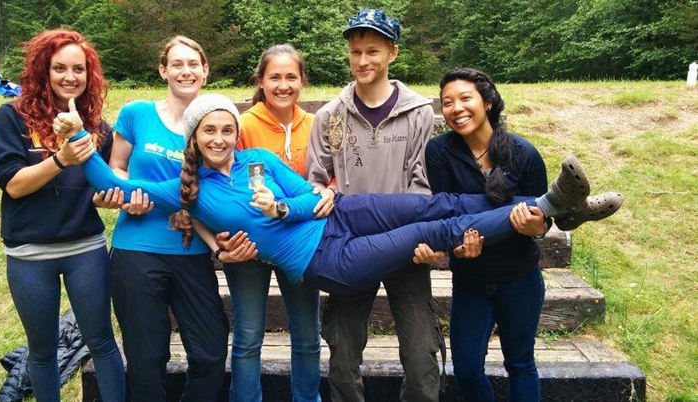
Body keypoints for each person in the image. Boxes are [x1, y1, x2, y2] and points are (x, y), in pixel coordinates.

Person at [55, 94, 623, 301]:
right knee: (433, 231)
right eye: (210, 131)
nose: (222, 139)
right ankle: (552, 210)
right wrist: (80, 136)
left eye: (228, 129)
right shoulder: (184, 188)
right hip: (325, 260)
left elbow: (311, 198)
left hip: (342, 214)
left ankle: (555, 205)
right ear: (195, 139)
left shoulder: (258, 159)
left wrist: (283, 209)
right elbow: (117, 184)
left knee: (435, 205)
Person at [418, 68, 622, 402]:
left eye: (465, 98)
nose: (456, 109)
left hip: (519, 277)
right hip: (471, 277)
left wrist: (538, 228)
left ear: (488, 102)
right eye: (447, 103)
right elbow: (448, 212)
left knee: (521, 364)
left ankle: (560, 206)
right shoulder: (439, 151)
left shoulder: (523, 153)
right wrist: (458, 248)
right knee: (467, 371)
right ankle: (567, 206)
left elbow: (540, 228)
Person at [93, 36, 247, 402]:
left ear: (205, 72)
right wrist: (127, 196)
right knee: (147, 357)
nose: (186, 71)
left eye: (194, 63)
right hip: (137, 250)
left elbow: (222, 190)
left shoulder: (217, 127)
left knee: (210, 350)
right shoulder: (136, 114)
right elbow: (116, 167)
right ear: (163, 70)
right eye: (176, 64)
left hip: (192, 252)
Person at [305, 9, 442, 402]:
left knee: (421, 357)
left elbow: (423, 184)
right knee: (342, 357)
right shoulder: (330, 116)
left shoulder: (418, 113)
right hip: (349, 248)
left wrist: (420, 236)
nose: (362, 61)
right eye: (355, 52)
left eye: (373, 51)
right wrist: (324, 199)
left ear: (392, 54)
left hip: (406, 245)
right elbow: (315, 180)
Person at [0, 29, 125, 402]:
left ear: (88, 74)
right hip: (29, 255)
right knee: (43, 351)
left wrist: (108, 198)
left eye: (78, 68)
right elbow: (13, 185)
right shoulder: (12, 118)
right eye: (59, 68)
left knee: (102, 343)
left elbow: (101, 186)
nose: (70, 76)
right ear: (43, 70)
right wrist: (61, 158)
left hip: (85, 249)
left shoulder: (96, 126)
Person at [224, 44, 326, 402]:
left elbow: (326, 181)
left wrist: (328, 191)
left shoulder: (315, 125)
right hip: (249, 246)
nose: (283, 85)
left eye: (291, 77)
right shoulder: (243, 125)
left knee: (307, 334)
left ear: (303, 81)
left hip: (299, 243)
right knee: (249, 336)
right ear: (261, 81)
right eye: (275, 77)